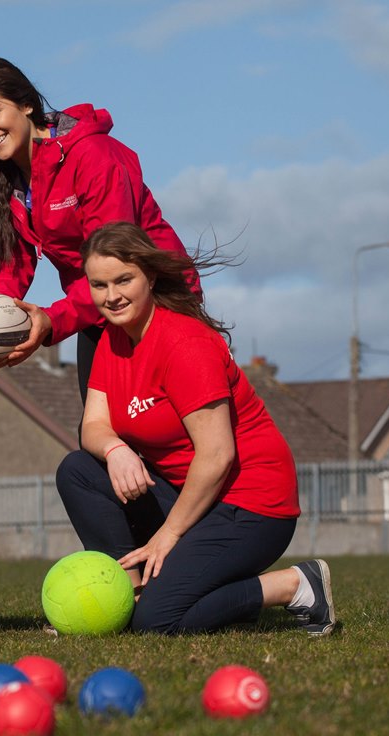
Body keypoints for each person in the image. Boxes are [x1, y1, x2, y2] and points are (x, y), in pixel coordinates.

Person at [55, 222, 335, 636]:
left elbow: (218, 455)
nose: (111, 296)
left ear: (149, 276)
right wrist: (116, 449)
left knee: (158, 621)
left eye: (123, 280)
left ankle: (295, 585)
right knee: (79, 470)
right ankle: (128, 596)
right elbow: (93, 426)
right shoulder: (114, 340)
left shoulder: (184, 344)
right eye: (99, 285)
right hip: (197, 498)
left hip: (253, 505)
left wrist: (169, 534)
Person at [0, 56, 200, 400]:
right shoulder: (5, 181)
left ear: (26, 104)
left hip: (158, 302)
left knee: (171, 432)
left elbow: (117, 259)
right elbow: (12, 264)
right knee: (102, 437)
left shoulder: (94, 155)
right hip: (95, 310)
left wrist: (52, 320)